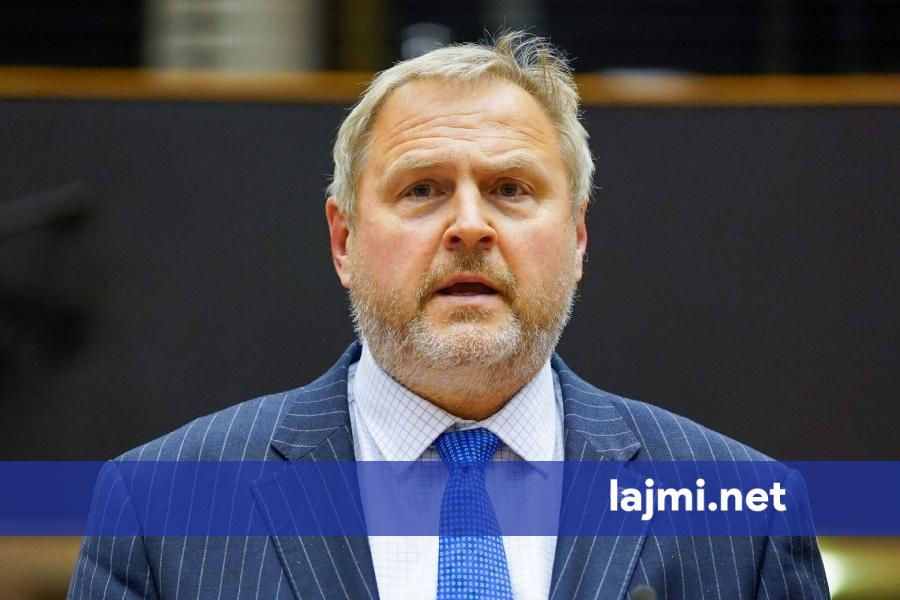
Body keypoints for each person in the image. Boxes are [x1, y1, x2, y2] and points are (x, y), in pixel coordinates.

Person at [68, 32, 829, 600]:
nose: (469, 226)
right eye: (423, 190)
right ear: (344, 240)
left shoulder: (742, 515)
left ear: (577, 238)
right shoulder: (161, 507)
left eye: (510, 189)